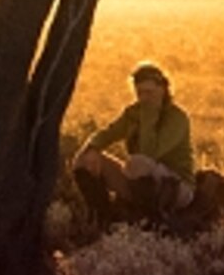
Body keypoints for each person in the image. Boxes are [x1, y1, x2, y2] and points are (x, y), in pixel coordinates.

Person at [72, 60, 195, 224]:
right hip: (138, 180)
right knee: (83, 160)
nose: (144, 98)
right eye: (140, 93)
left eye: (149, 92)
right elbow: (108, 133)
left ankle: (150, 221)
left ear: (163, 89)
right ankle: (102, 216)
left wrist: (149, 116)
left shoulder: (177, 118)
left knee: (138, 163)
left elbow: (150, 153)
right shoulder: (133, 113)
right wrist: (92, 148)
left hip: (176, 187)